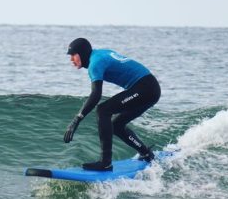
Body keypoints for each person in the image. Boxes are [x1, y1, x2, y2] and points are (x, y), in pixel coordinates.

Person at [63, 38, 161, 171]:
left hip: (145, 88)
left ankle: (105, 162)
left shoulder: (95, 63)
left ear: (82, 53)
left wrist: (77, 119)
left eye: (73, 55)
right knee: (116, 125)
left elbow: (95, 95)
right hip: (150, 88)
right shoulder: (99, 54)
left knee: (103, 110)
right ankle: (146, 153)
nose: (71, 60)